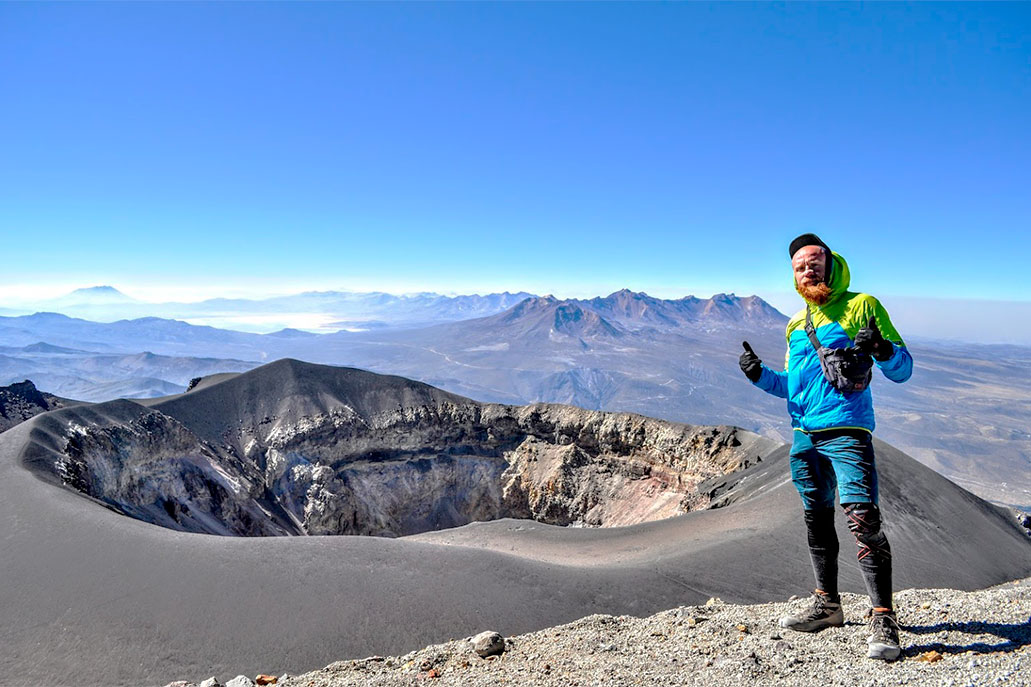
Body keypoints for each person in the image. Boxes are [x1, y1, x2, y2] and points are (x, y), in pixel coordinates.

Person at [738, 233, 913, 661]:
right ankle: (828, 604)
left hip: (847, 431)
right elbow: (791, 386)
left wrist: (881, 347)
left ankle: (884, 616)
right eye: (799, 266)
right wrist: (758, 375)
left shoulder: (862, 306)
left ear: (832, 266)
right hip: (803, 435)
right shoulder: (797, 324)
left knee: (862, 518)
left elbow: (903, 369)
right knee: (816, 519)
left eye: (815, 262)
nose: (807, 270)